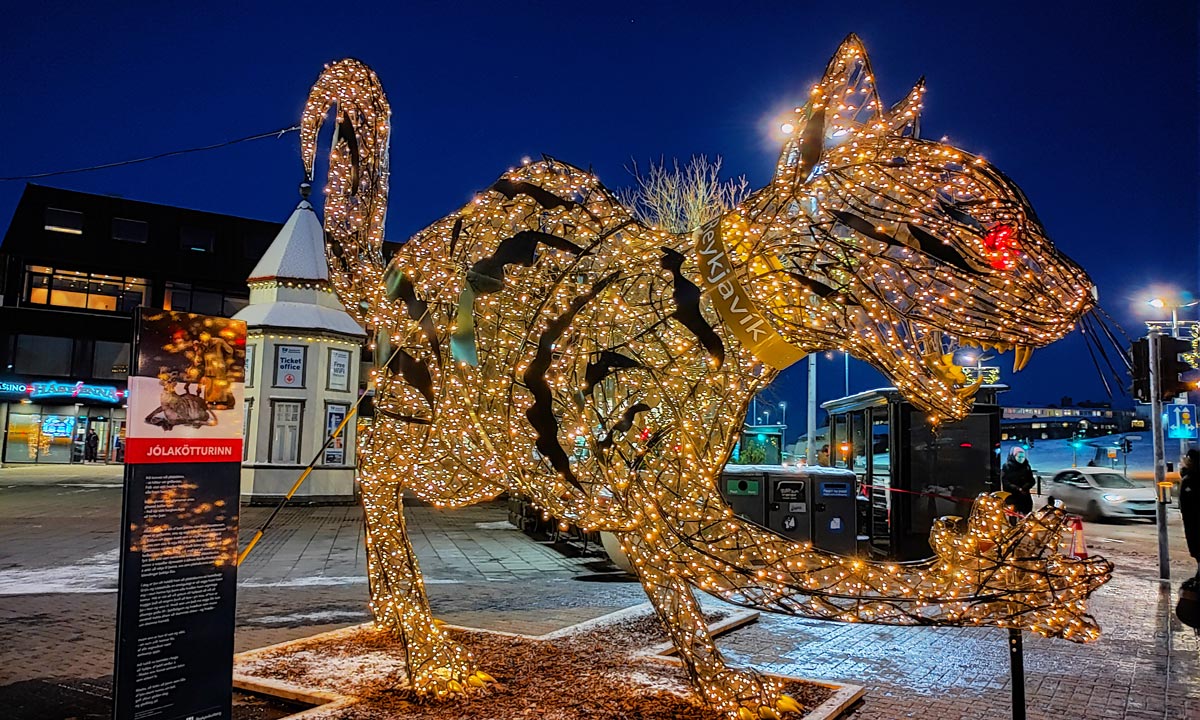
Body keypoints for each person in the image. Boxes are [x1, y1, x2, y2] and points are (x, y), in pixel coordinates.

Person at [1180, 449, 1200, 580]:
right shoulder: (1189, 477)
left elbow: (1188, 504)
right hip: (1191, 521)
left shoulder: (1191, 479)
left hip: (1194, 522)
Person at [1002, 446, 1036, 516]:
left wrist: (1025, 487)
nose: (1021, 459)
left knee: (1025, 516)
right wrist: (1017, 488)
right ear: (1014, 456)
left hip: (1025, 496)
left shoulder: (1026, 466)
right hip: (1012, 496)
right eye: (1019, 457)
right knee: (1013, 515)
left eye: (1023, 457)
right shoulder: (1007, 466)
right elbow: (1005, 482)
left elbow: (1032, 480)